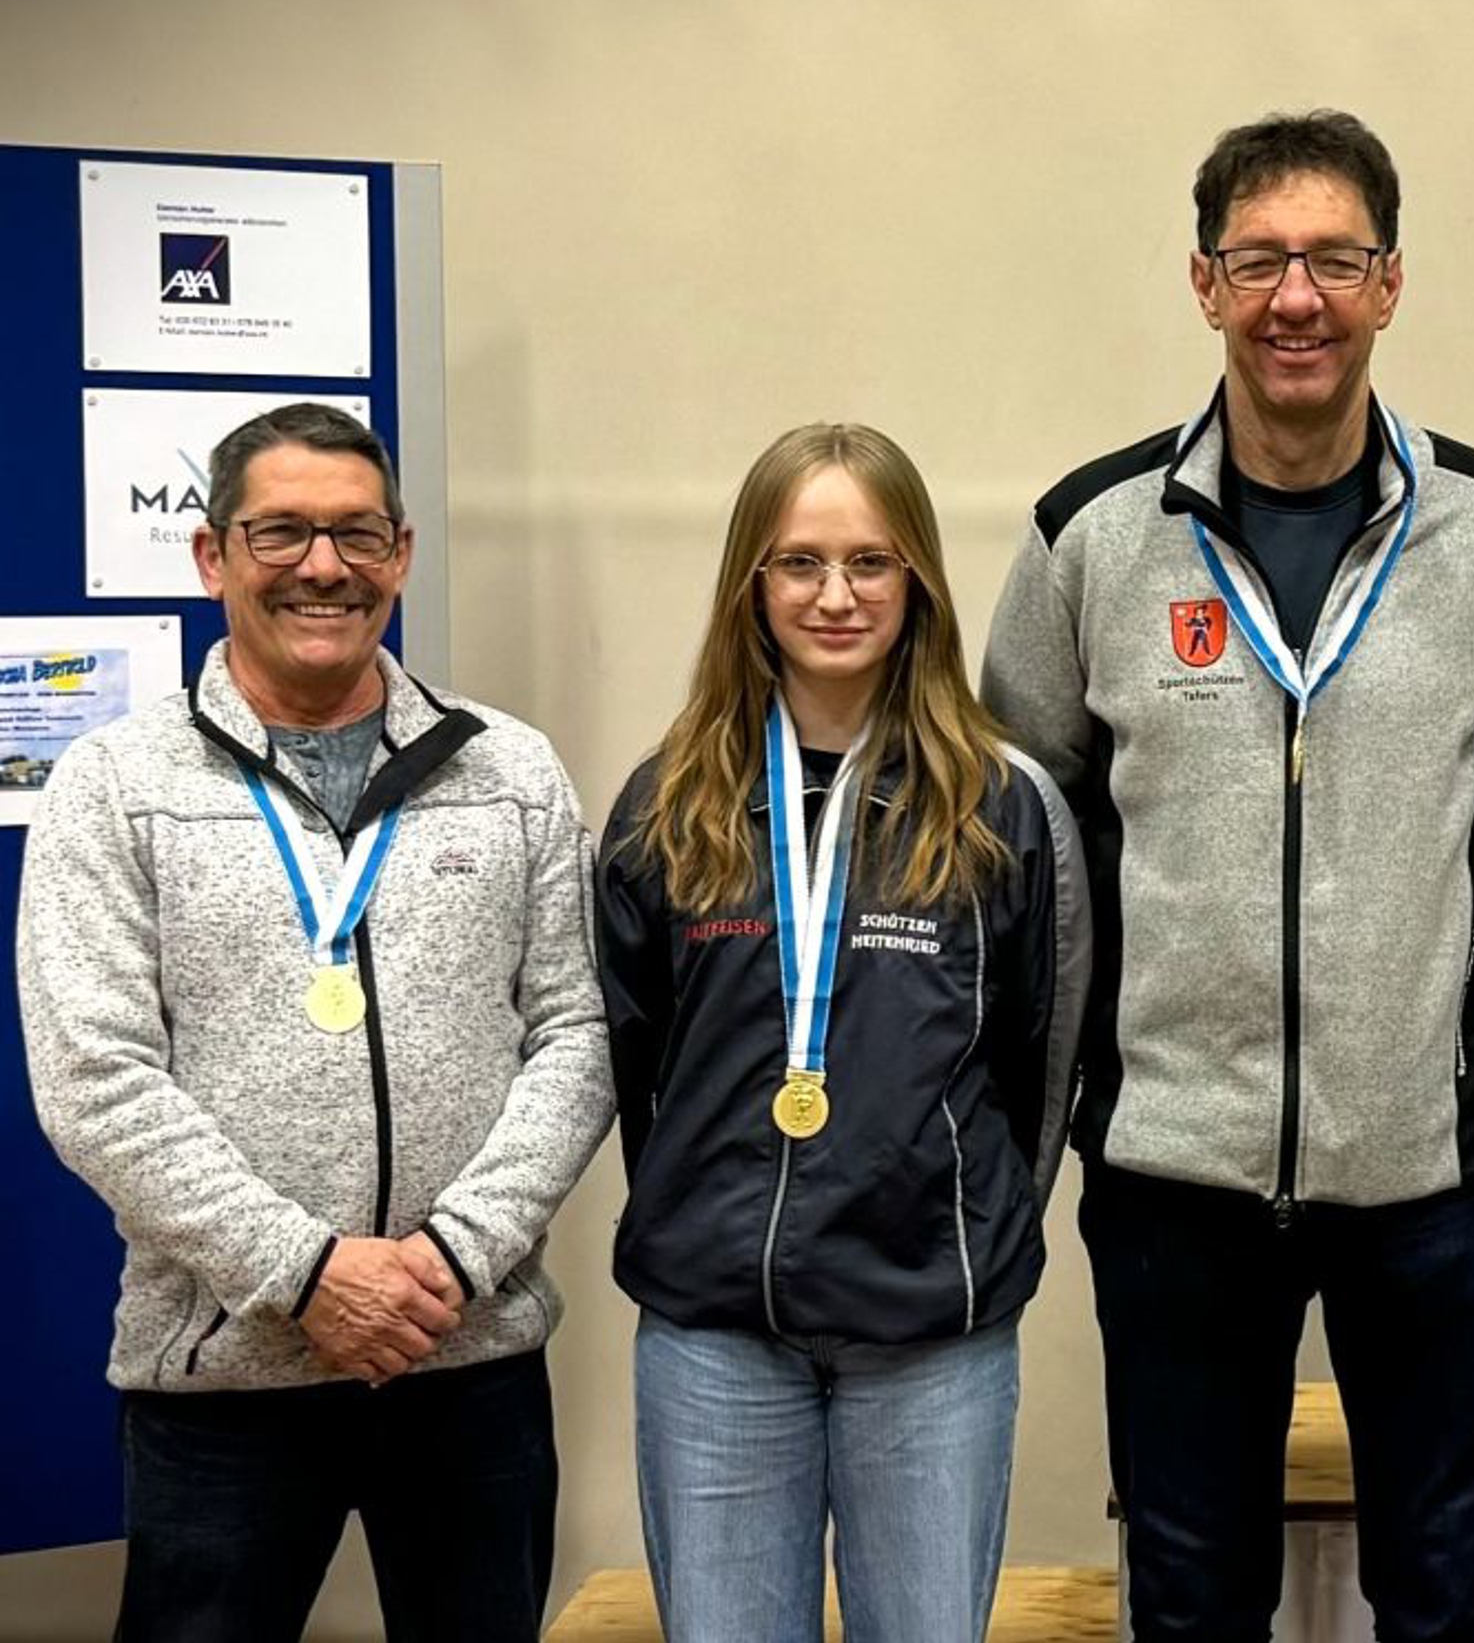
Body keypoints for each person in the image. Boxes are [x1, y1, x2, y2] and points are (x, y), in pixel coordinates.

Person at [981, 109, 1474, 1641]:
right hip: (1175, 1170)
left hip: (1433, 1177)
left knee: (1446, 1586)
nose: (1294, 297)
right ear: (1202, 283)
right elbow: (1023, 839)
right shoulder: (1091, 539)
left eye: (1331, 258)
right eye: (1258, 261)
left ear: (1390, 282)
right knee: (1190, 1587)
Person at [17, 402, 615, 1641]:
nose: (324, 567)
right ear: (211, 555)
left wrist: (454, 1257)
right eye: (281, 531)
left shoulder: (511, 770)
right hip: (225, 1371)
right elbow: (96, 1080)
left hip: (471, 1358)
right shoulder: (115, 786)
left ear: (399, 553)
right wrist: (305, 1273)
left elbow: (578, 1032)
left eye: (355, 534)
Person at [597, 423, 1086, 1643]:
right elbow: (633, 1058)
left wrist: (956, 1220)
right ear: (748, 586)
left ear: (917, 579)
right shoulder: (670, 803)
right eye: (799, 561)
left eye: (870, 561)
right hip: (715, 1338)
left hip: (930, 1332)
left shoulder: (1004, 806)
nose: (834, 594)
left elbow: (1044, 1063)